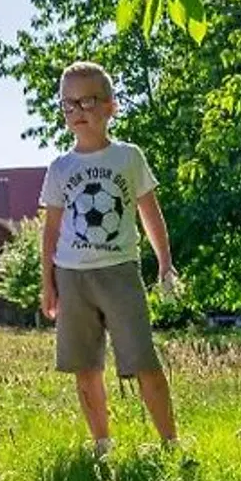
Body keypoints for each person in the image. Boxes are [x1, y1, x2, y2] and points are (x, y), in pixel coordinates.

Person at [37, 61, 179, 457]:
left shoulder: (128, 158)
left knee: (143, 360)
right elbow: (50, 230)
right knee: (85, 367)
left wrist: (164, 261)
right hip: (72, 276)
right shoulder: (60, 168)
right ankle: (102, 446)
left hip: (120, 273)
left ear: (111, 107)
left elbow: (150, 213)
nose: (78, 111)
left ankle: (170, 443)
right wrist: (47, 281)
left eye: (88, 101)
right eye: (68, 104)